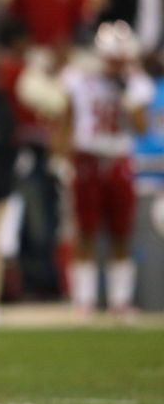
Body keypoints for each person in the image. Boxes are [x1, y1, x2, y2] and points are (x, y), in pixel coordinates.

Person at [58, 21, 153, 316]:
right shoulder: (79, 76)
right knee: (85, 230)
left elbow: (141, 127)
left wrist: (125, 95)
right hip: (87, 157)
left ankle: (119, 300)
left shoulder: (135, 82)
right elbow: (67, 116)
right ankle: (83, 299)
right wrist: (62, 153)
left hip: (119, 158)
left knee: (121, 232)